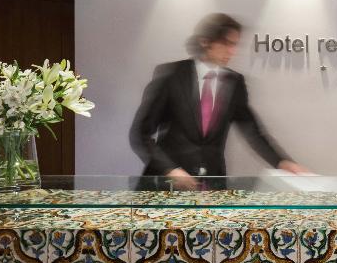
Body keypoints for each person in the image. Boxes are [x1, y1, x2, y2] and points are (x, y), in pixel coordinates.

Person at [129, 13, 307, 189]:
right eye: (227, 43)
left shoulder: (235, 82)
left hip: (211, 186)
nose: (232, 52)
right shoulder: (171, 75)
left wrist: (281, 162)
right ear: (205, 41)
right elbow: (140, 134)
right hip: (165, 186)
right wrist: (170, 169)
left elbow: (253, 131)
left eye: (235, 45)